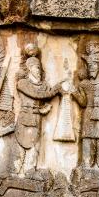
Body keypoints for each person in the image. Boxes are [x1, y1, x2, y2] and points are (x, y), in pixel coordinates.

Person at [15, 43, 62, 175]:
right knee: (21, 146)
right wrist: (55, 90)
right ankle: (17, 172)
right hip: (25, 117)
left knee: (35, 147)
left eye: (40, 68)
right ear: (29, 68)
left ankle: (30, 171)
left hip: (36, 118)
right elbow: (37, 95)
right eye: (36, 68)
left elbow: (43, 96)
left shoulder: (43, 85)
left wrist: (43, 108)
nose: (39, 71)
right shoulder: (22, 83)